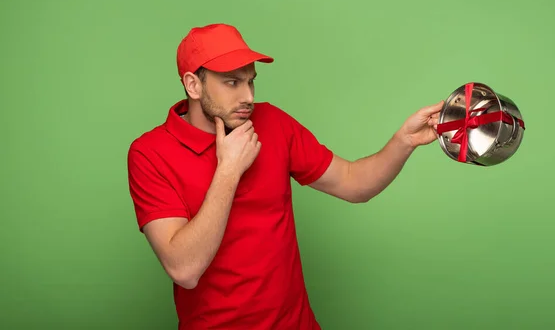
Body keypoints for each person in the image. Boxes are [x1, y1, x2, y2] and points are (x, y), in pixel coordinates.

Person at [127, 23, 443, 330]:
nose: (248, 96)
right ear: (193, 85)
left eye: (250, 81)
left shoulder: (273, 122)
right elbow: (184, 269)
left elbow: (353, 182)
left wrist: (405, 141)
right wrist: (229, 170)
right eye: (232, 83)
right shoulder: (149, 153)